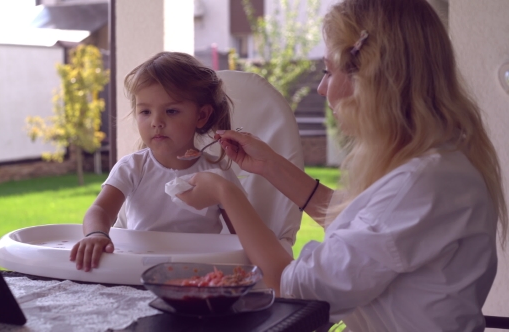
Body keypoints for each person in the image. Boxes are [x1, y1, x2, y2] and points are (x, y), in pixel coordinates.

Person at [176, 0, 508, 331]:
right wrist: (270, 165)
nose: (322, 88)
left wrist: (227, 192)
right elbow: (362, 224)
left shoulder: (420, 184)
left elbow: (293, 287)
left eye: (328, 72)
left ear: (371, 80)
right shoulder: (438, 165)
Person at [70, 52, 243, 272]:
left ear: (201, 116)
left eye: (171, 111)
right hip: (138, 271)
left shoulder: (217, 176)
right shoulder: (133, 167)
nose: (156, 122)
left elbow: (244, 235)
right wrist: (96, 234)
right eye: (145, 111)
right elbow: (100, 210)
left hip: (198, 274)